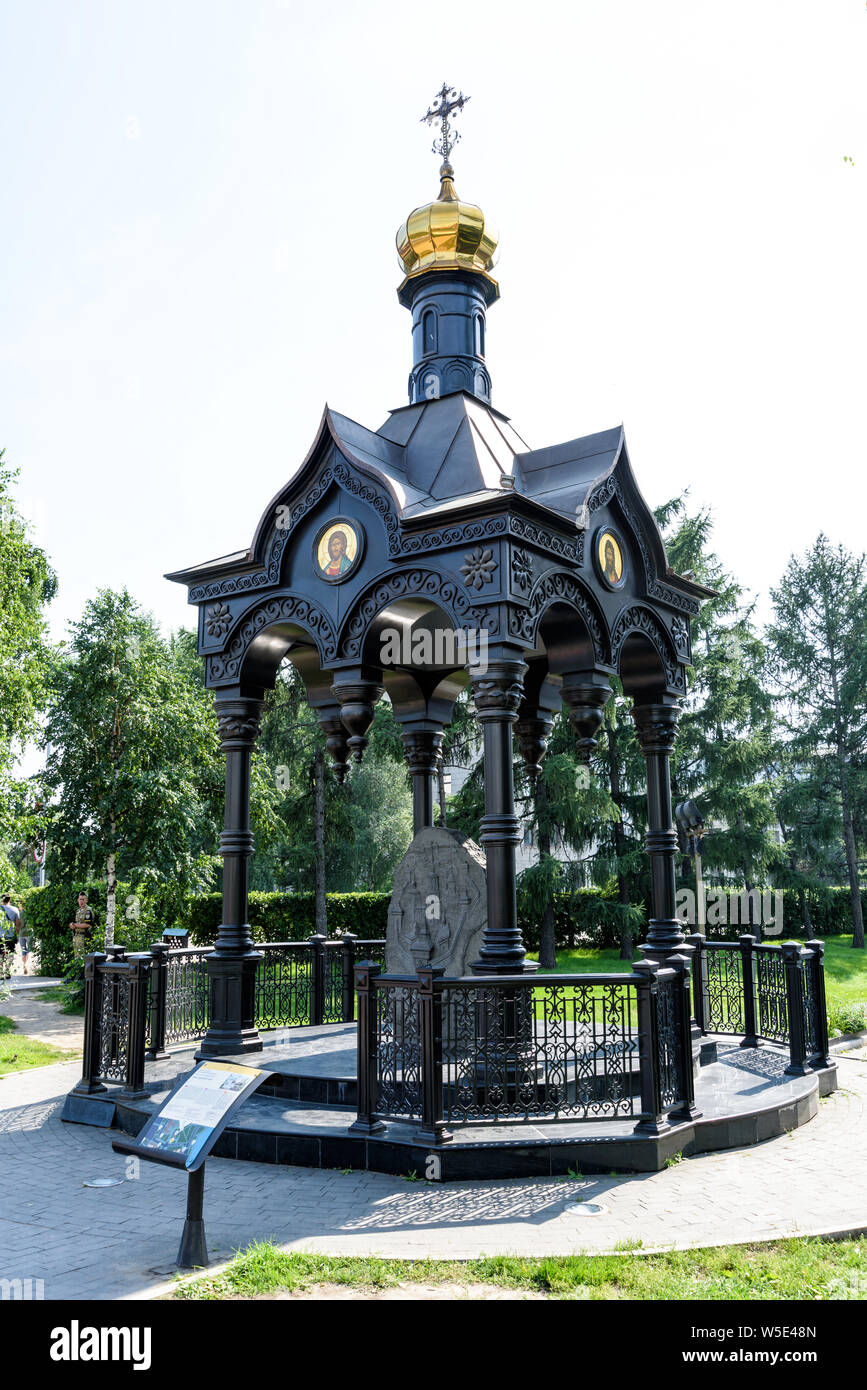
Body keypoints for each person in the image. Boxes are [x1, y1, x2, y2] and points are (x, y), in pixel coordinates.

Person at [2, 894, 27, 975]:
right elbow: (18, 924)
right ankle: (7, 971)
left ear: (2, 900)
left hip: (0, 936)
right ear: (9, 900)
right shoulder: (15, 909)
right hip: (10, 935)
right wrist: (16, 935)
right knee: (10, 953)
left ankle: (0, 973)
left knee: (0, 954)